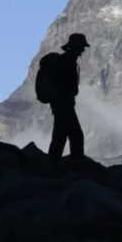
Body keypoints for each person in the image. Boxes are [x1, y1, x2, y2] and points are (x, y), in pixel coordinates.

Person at [46, 33, 90, 162]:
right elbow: (67, 86)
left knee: (61, 136)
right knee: (75, 136)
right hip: (63, 105)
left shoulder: (66, 61)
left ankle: (53, 165)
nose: (83, 50)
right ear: (76, 47)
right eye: (81, 47)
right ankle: (73, 167)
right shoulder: (67, 62)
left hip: (61, 104)